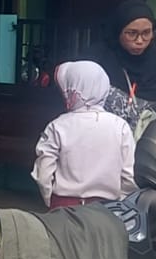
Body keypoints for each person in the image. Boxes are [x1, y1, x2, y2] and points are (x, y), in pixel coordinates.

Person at [32, 61, 136, 209]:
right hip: (107, 210)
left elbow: (43, 173)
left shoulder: (58, 126)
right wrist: (120, 206)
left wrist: (51, 201)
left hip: (64, 207)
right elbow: (129, 176)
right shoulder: (120, 127)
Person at [93, 0, 156, 130]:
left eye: (146, 33)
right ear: (118, 32)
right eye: (132, 33)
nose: (139, 40)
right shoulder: (97, 60)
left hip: (145, 137)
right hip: (104, 134)